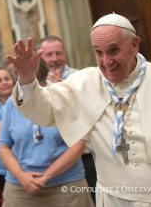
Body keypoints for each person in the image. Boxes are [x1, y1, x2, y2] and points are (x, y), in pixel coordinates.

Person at [8, 13, 151, 207]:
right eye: (98, 52)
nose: (106, 62)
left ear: (134, 44)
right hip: (112, 199)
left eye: (113, 50)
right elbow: (42, 111)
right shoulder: (84, 83)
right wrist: (27, 78)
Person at [0, 58, 94, 207]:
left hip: (66, 185)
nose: (17, 80)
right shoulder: (12, 102)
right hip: (20, 188)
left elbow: (79, 144)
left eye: (22, 75)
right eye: (16, 77)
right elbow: (4, 146)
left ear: (38, 74)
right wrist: (22, 177)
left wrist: (45, 177)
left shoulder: (63, 96)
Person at [37, 35, 97, 203]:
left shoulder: (80, 77)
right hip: (54, 159)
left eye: (59, 53)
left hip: (85, 156)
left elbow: (90, 111)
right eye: (49, 55)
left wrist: (62, 89)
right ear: (40, 58)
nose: (55, 59)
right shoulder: (36, 84)